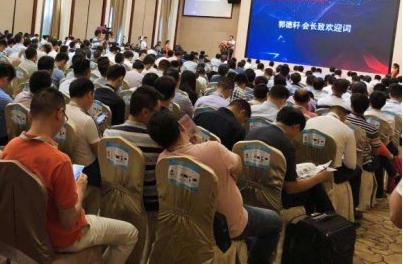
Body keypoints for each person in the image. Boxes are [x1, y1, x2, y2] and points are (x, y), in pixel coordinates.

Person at [2, 88, 138, 262]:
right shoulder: (59, 161)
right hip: (60, 238)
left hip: (24, 229)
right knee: (130, 234)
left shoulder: (10, 147)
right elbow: (68, 222)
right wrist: (79, 188)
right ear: (59, 114)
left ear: (29, 116)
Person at [148, 110, 281, 264]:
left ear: (158, 143)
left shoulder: (163, 160)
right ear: (181, 126)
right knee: (275, 222)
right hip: (226, 226)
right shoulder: (212, 149)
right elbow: (238, 166)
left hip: (191, 222)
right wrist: (206, 150)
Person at [246, 107, 333, 213]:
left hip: (249, 191)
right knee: (315, 187)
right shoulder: (285, 144)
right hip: (275, 197)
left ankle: (328, 218)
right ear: (296, 127)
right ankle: (327, 218)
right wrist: (319, 178)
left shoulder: (252, 132)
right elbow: (291, 188)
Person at [103, 86, 163, 213]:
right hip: (147, 204)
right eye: (157, 113)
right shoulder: (156, 141)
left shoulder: (109, 134)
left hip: (113, 197)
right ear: (145, 112)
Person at [305, 106, 362, 218]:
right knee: (357, 170)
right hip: (331, 172)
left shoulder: (309, 121)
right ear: (344, 117)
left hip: (307, 166)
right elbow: (350, 164)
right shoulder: (346, 130)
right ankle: (354, 208)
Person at [345, 94, 398, 199]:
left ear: (351, 106)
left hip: (343, 155)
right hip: (363, 161)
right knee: (381, 153)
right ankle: (390, 178)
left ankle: (392, 175)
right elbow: (376, 151)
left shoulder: (343, 120)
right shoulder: (371, 128)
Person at [67, 79, 102, 187]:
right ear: (89, 94)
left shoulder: (61, 110)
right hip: (86, 171)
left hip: (66, 164)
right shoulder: (86, 120)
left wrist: (92, 121)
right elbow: (99, 152)